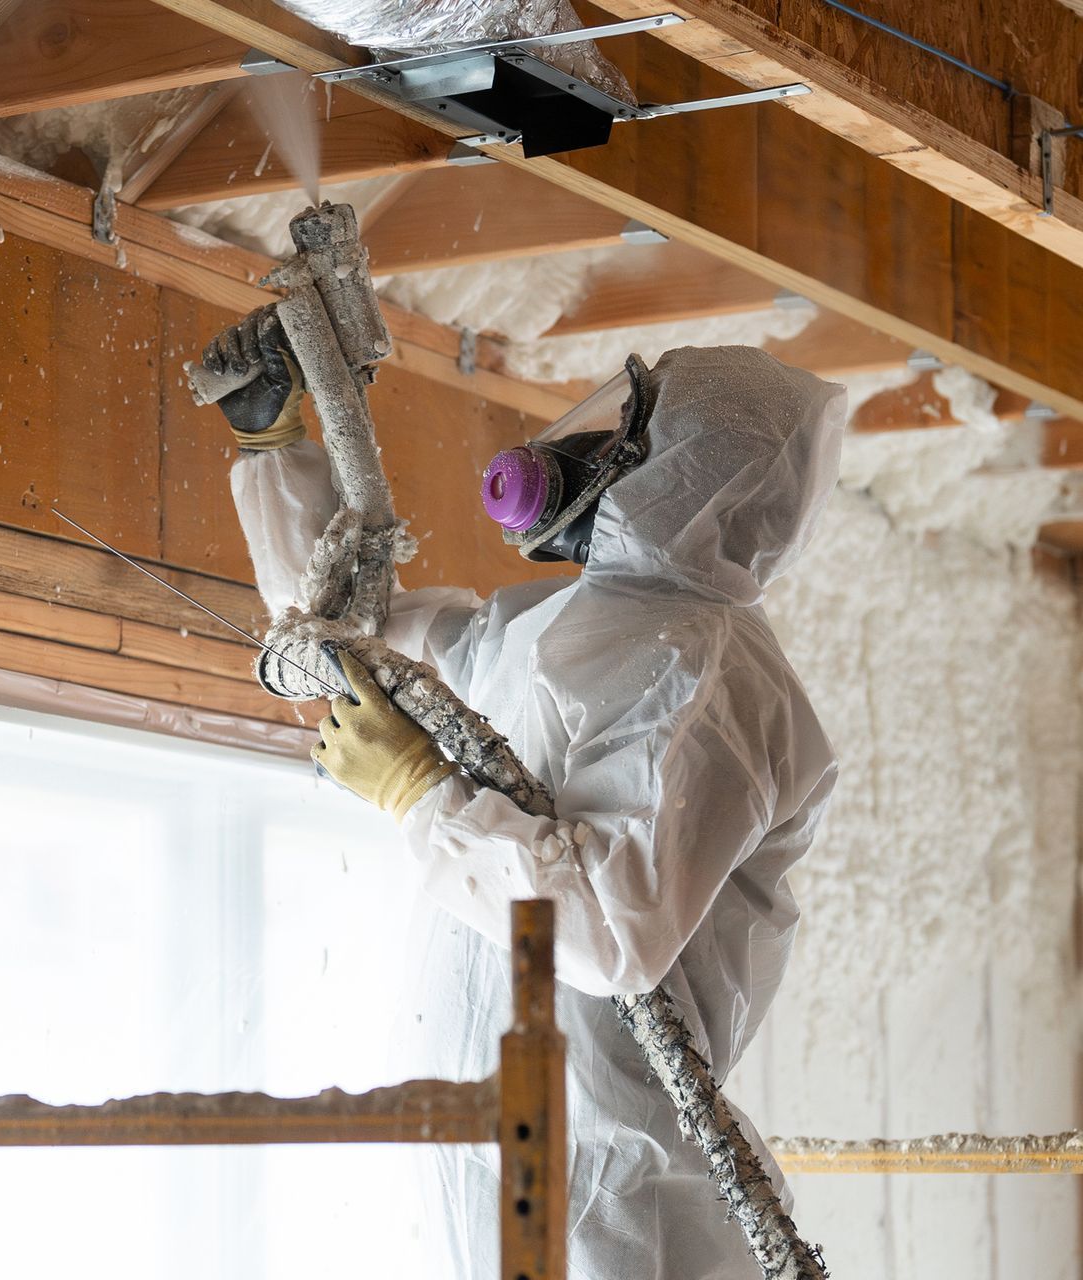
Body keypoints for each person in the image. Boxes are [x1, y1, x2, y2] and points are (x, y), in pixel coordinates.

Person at [206, 312, 845, 1278]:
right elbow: (347, 644)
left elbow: (609, 932)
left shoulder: (705, 674)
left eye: (628, 431)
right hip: (498, 1152)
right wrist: (275, 446)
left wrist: (421, 793)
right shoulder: (543, 628)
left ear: (687, 471)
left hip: (613, 1201)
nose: (589, 448)